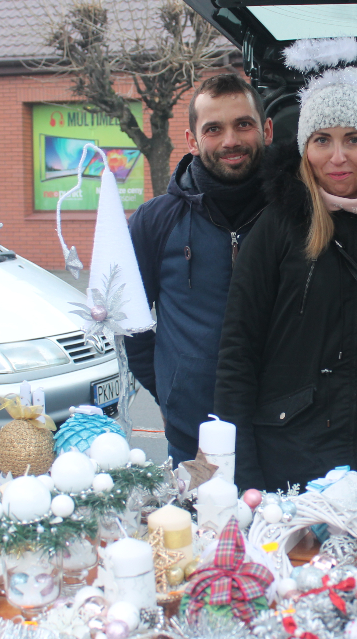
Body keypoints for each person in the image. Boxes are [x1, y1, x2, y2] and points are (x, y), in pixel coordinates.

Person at [214, 38, 357, 496]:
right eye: (322, 140)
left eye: (353, 140)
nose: (337, 157)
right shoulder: (278, 227)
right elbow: (238, 353)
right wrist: (243, 476)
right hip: (294, 462)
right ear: (305, 148)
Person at [126, 74, 273, 464]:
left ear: (267, 130)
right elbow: (134, 326)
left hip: (284, 437)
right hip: (193, 440)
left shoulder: (297, 217)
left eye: (244, 124)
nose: (230, 141)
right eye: (213, 129)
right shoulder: (153, 222)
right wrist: (171, 396)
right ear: (191, 140)